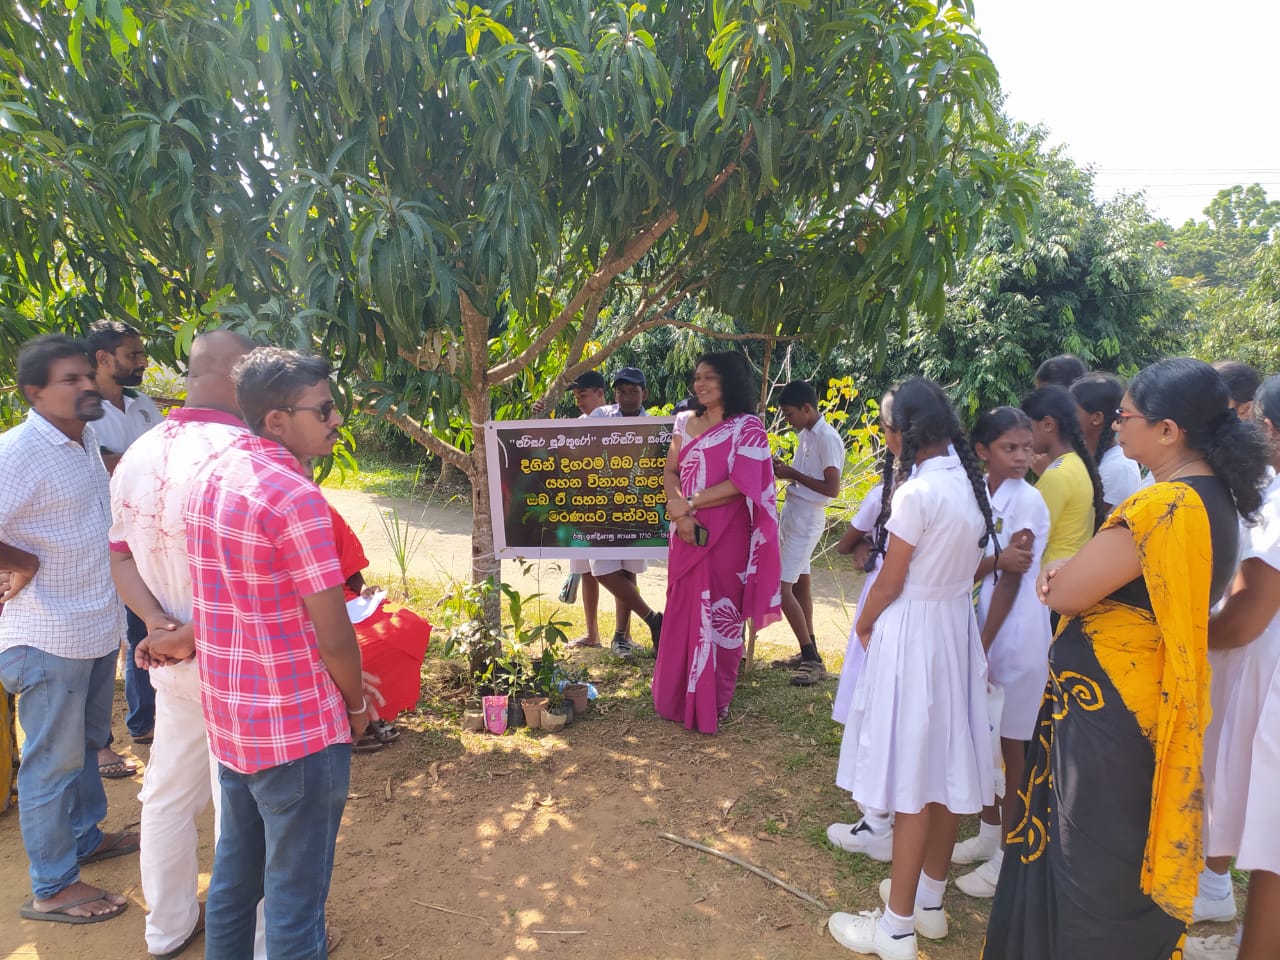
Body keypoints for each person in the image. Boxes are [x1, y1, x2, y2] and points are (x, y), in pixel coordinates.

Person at [983, 358, 1270, 960]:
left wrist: (1060, 575)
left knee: (1084, 859)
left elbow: (1064, 590)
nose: (1116, 427)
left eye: (1127, 416)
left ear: (1169, 430)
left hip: (1108, 715)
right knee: (1114, 853)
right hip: (1138, 707)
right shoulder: (1216, 499)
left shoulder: (1163, 506)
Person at [186, 347, 368, 958]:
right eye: (324, 409)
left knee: (236, 880)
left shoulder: (209, 477)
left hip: (236, 721)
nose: (337, 418)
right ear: (276, 420)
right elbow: (335, 634)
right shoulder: (293, 496)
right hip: (296, 727)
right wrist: (358, 704)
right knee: (295, 901)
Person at [108, 329, 270, 959]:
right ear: (238, 377)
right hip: (240, 660)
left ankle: (167, 927)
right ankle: (255, 941)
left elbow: (120, 556)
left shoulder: (141, 454)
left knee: (168, 794)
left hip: (169, 660)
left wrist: (157, 626)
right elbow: (260, 576)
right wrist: (194, 634)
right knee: (242, 805)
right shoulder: (249, 453)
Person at [827, 378, 999, 960]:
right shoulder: (971, 486)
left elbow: (891, 579)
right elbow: (968, 569)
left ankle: (895, 927)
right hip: (952, 631)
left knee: (911, 781)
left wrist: (864, 622)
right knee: (945, 771)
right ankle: (927, 901)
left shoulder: (917, 494)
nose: (882, 434)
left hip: (914, 633)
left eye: (884, 424)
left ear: (905, 432)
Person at [0, 334, 137, 925]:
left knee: (82, 748)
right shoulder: (17, 452)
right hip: (45, 632)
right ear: (35, 393)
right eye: (72, 381)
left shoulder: (80, 442)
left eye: (88, 375)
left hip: (91, 625)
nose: (88, 386)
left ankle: (84, 838)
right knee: (51, 764)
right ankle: (52, 887)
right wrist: (21, 562)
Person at [1186, 374, 1280, 960]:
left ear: (1267, 427)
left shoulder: (1275, 504)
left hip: (1266, 678)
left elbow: (1246, 618)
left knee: (1271, 839)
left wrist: (1183, 636)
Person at [654, 351, 781, 733]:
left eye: (710, 377)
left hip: (726, 534)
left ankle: (714, 699)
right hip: (684, 531)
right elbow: (671, 469)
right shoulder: (683, 420)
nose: (701, 384)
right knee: (682, 606)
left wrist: (690, 505)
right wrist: (680, 514)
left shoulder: (748, 427)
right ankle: (675, 697)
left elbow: (741, 484)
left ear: (730, 380)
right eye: (697, 378)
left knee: (720, 612)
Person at [952, 407, 1049, 898]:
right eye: (1010, 448)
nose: (1021, 457)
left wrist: (983, 646)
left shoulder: (1026, 500)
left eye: (1027, 448)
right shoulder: (979, 493)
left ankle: (1010, 853)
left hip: (1011, 634)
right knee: (983, 737)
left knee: (1012, 748)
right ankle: (989, 832)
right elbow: (971, 562)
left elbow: (1012, 577)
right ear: (983, 451)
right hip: (980, 625)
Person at [87, 319, 163, 776]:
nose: (142, 362)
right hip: (101, 543)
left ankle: (145, 722)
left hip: (149, 540)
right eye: (133, 354)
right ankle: (98, 745)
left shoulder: (142, 404)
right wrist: (139, 463)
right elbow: (96, 467)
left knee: (142, 628)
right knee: (103, 643)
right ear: (103, 357)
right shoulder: (84, 410)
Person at [329, 505, 433, 748]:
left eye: (310, 464)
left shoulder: (323, 510)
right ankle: (348, 719)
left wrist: (364, 591)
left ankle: (377, 711)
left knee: (406, 625)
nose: (309, 471)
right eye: (302, 464)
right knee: (357, 647)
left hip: (347, 599)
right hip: (309, 606)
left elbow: (349, 566)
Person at [770, 380, 845, 687]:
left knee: (780, 587)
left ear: (807, 408)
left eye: (789, 414)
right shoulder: (806, 434)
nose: (787, 420)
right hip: (794, 512)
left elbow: (832, 488)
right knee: (800, 583)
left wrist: (792, 473)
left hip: (808, 517)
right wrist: (788, 471)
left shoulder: (827, 437)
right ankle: (808, 649)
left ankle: (810, 657)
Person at [589, 366, 664, 658]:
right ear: (614, 393)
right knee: (602, 570)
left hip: (636, 508)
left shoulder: (655, 425)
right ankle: (652, 619)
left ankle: (621, 637)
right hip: (601, 506)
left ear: (644, 393)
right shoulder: (600, 417)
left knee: (628, 570)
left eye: (633, 390)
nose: (627, 396)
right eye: (621, 390)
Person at [1021, 386, 1105, 564]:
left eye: (1027, 427)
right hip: (1069, 568)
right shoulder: (1075, 463)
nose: (1023, 437)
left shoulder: (1057, 474)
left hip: (1050, 573)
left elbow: (1029, 539)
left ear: (1048, 424)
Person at [560, 370, 611, 649]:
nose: (579, 400)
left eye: (584, 394)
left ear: (601, 393)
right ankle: (593, 634)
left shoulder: (616, 420)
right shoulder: (578, 424)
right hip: (581, 506)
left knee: (621, 570)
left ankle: (622, 635)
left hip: (613, 508)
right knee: (587, 571)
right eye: (576, 396)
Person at [1072, 373, 1144, 512]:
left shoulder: (1120, 466)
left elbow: (1084, 522)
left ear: (1096, 418)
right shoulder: (1083, 454)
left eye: (1071, 410)